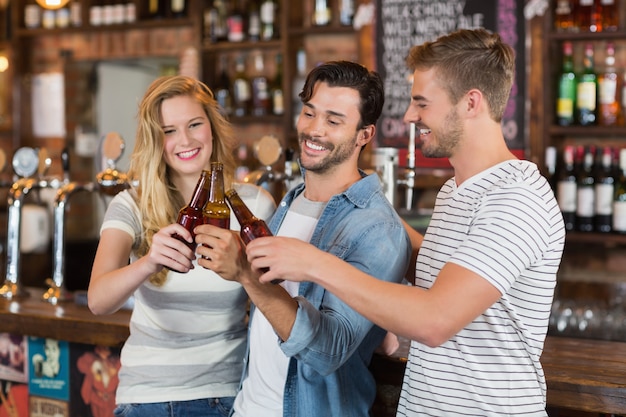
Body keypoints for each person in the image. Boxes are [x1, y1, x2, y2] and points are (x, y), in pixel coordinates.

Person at [241, 29, 566, 416]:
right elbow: (435, 268)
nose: (410, 116)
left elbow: (434, 319)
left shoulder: (516, 198)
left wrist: (313, 261)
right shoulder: (455, 192)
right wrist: (359, 209)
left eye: (422, 103)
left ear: (471, 103)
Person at [195, 60, 411, 417]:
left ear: (365, 135)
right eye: (309, 113)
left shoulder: (377, 229)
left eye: (333, 120)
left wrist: (246, 274)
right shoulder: (293, 198)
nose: (314, 130)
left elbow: (327, 351)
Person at [87, 75, 276, 417]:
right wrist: (148, 262)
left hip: (228, 395)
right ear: (155, 140)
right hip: (148, 399)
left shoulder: (255, 205)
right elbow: (98, 300)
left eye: (194, 125)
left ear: (213, 129)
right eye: (169, 130)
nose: (184, 140)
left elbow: (277, 298)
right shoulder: (131, 204)